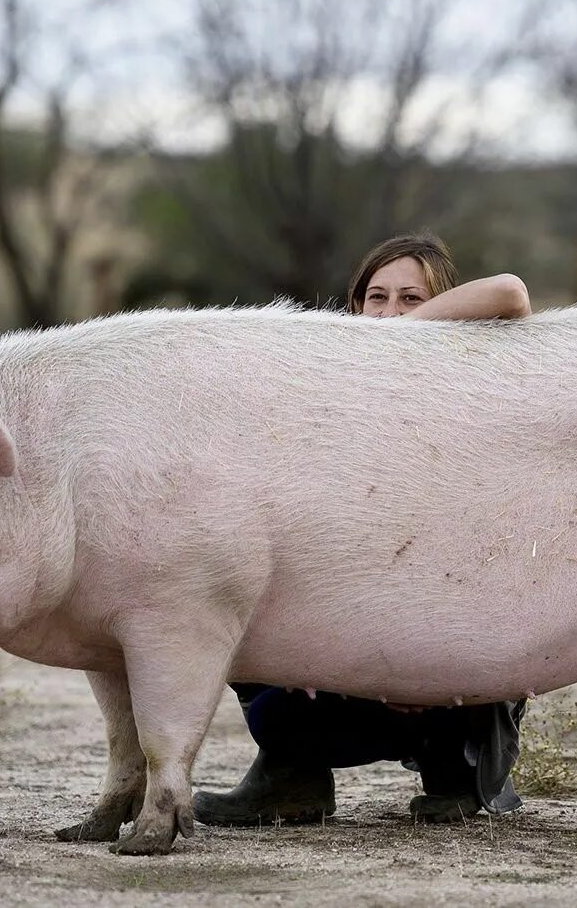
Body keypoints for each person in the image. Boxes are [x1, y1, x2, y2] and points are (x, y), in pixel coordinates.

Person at [192, 231, 532, 827]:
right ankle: (290, 776)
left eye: (411, 297)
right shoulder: (324, 411)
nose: (391, 311)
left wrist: (401, 335)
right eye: (377, 298)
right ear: (353, 309)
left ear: (445, 305)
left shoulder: (473, 400)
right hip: (348, 673)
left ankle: (455, 772)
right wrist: (333, 655)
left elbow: (510, 292)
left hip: (449, 673)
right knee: (236, 604)